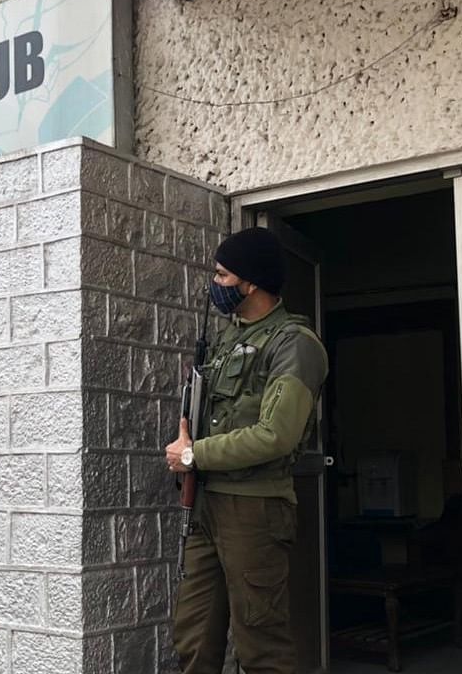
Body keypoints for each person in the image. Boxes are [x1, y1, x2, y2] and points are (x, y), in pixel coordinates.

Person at [166, 226, 329, 674]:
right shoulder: (225, 340)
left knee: (261, 643)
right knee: (194, 635)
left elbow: (277, 434)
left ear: (251, 282)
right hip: (208, 504)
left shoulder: (294, 344)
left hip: (255, 509)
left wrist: (195, 455)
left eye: (222, 275)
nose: (215, 285)